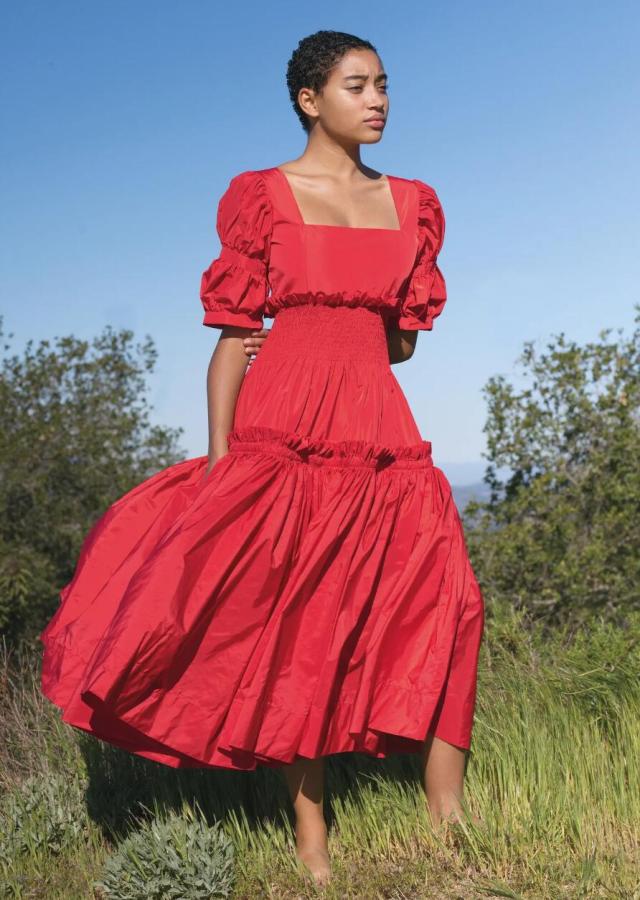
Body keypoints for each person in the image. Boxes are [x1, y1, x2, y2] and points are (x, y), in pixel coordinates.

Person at [39, 30, 485, 887]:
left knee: (449, 602)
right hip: (279, 428)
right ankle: (312, 842)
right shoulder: (263, 196)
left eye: (385, 85)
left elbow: (398, 343)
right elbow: (237, 338)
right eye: (358, 85)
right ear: (310, 101)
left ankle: (450, 820)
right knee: (300, 621)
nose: (380, 99)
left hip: (380, 426)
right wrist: (219, 461)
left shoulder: (415, 201)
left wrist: (346, 329)